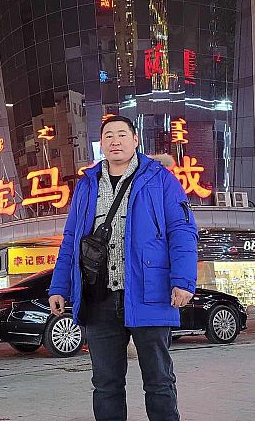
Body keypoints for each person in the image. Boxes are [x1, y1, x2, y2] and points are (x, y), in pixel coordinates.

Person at [49, 116, 199, 421]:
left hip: (149, 293)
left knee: (159, 381)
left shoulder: (160, 178)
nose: (115, 141)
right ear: (102, 144)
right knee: (105, 385)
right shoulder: (87, 185)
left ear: (135, 140)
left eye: (121, 134)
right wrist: (59, 287)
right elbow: (71, 240)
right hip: (99, 298)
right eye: (108, 136)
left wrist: (183, 280)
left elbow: (182, 230)